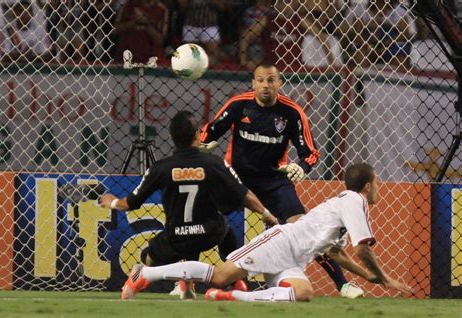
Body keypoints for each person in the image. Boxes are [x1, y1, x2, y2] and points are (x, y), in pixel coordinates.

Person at [120, 163, 413, 302]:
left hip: (294, 259)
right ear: (366, 186)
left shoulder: (346, 205)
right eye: (376, 183)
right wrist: (384, 279)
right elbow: (363, 249)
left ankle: (232, 298)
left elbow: (336, 253)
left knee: (304, 293)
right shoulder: (355, 201)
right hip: (281, 242)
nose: (378, 188)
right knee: (222, 275)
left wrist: (372, 278)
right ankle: (145, 275)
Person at [199, 63, 364, 298]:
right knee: (206, 218)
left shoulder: (292, 112)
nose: (266, 85)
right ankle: (185, 282)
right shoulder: (238, 105)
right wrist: (205, 143)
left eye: (271, 80)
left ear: (279, 83)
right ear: (253, 83)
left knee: (303, 227)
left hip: (273, 180)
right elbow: (209, 132)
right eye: (261, 80)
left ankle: (342, 285)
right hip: (237, 178)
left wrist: (302, 166)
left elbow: (311, 152)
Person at [99, 110, 278, 300]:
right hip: (209, 233)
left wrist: (113, 202)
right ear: (198, 134)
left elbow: (131, 203)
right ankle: (232, 281)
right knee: (225, 230)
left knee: (148, 257)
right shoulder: (214, 163)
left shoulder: (161, 168)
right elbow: (244, 195)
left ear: (171, 137)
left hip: (176, 239)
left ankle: (143, 275)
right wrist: (266, 213)